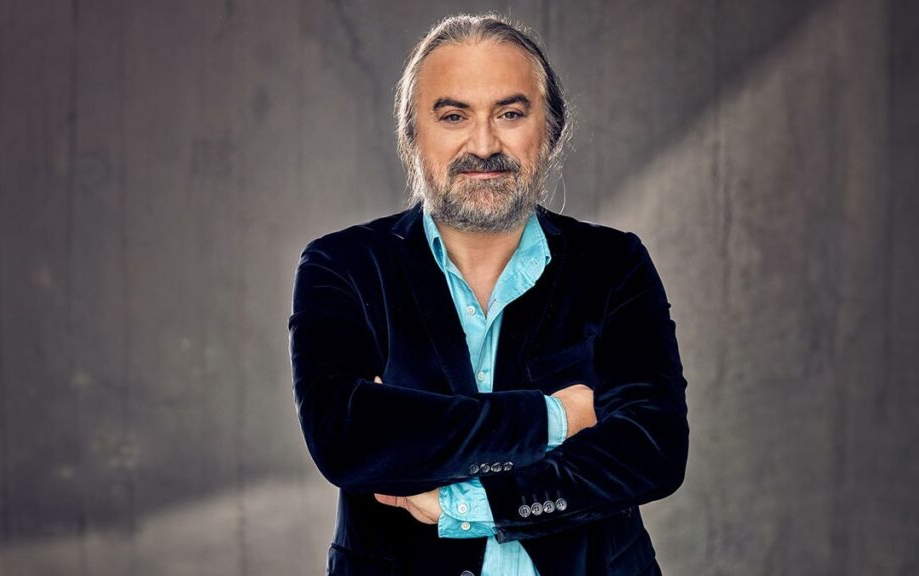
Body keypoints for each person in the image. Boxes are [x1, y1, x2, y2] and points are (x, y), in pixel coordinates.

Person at [288, 12, 689, 576]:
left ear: (550, 129)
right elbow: (346, 437)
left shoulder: (613, 264)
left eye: (510, 113)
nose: (483, 144)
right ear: (412, 135)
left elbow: (653, 448)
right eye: (454, 116)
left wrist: (470, 501)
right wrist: (555, 418)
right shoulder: (343, 266)